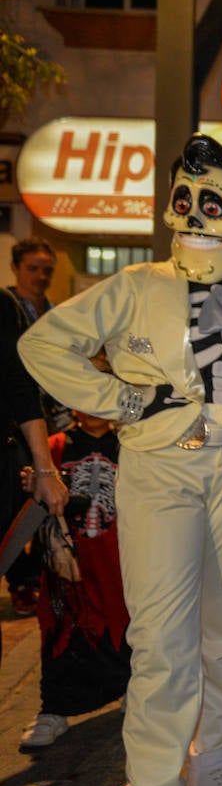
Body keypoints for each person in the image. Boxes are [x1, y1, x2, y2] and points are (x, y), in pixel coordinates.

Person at [18, 132, 222, 786]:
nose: (191, 212)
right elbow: (44, 344)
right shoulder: (139, 284)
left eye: (210, 200)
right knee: (161, 629)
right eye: (183, 197)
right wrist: (123, 403)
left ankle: (214, 754)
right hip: (163, 457)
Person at [18, 407, 130, 749]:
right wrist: (33, 479)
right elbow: (36, 484)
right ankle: (54, 709)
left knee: (125, 629)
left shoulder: (130, 446)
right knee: (61, 632)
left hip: (117, 564)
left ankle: (132, 691)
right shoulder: (54, 446)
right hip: (68, 565)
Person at [5, 237, 71, 616]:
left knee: (52, 503)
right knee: (18, 504)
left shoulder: (56, 315)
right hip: (17, 426)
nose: (41, 276)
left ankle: (41, 577)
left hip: (55, 420)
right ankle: (21, 580)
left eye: (47, 269)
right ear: (16, 268)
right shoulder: (7, 308)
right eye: (34, 268)